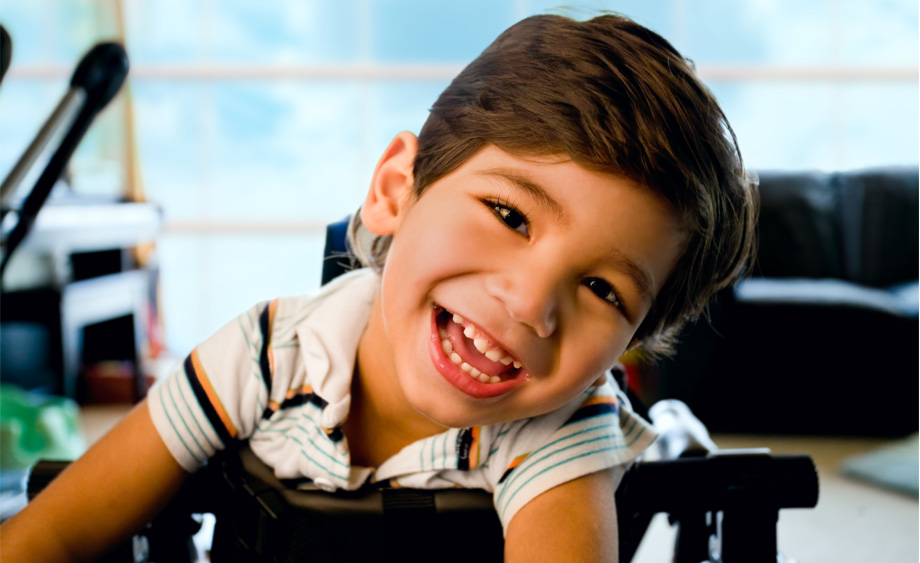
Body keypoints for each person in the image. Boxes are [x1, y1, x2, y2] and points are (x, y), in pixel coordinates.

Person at [0, 12, 757, 562]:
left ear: (632, 343)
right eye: (509, 214)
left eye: (600, 286)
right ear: (397, 188)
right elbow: (56, 531)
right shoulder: (264, 353)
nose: (530, 303)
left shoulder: (562, 427)